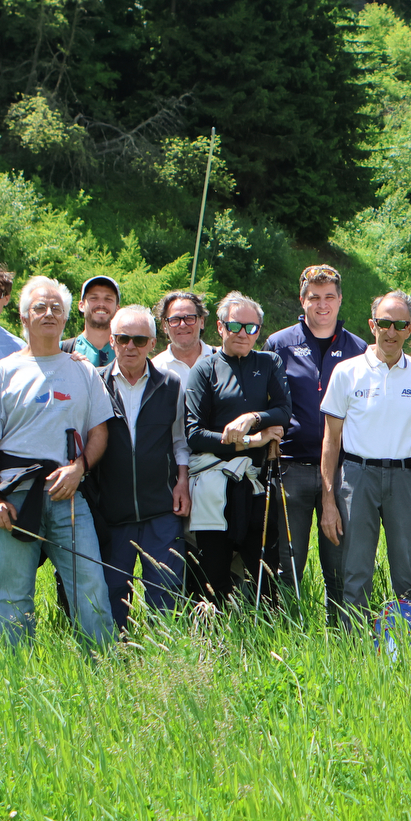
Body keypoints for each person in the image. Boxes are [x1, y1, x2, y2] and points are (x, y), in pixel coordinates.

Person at [0, 276, 116, 645]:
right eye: (40, 308)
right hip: (15, 496)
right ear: (24, 317)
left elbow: (100, 433)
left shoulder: (83, 371)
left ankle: (103, 663)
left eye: (56, 309)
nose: (49, 314)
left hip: (69, 494)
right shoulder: (2, 371)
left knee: (89, 581)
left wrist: (80, 468)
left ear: (65, 320)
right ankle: (18, 673)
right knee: (13, 590)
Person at [319, 292, 411, 624]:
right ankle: (354, 646)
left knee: (407, 573)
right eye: (385, 323)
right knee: (355, 570)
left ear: (410, 329)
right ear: (372, 324)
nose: (391, 332)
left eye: (400, 325)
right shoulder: (347, 372)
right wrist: (329, 499)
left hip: (406, 479)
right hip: (358, 477)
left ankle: (407, 645)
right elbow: (331, 441)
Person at [265, 264, 367, 620]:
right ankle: (287, 634)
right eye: (314, 297)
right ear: (302, 299)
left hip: (343, 472)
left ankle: (340, 637)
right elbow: (268, 401)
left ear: (340, 300)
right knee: (288, 563)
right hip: (291, 466)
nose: (322, 305)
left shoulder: (359, 347)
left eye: (329, 297)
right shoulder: (279, 344)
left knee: (339, 562)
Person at [183, 291, 290, 607]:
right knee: (212, 572)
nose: (243, 334)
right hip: (213, 484)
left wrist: (252, 418)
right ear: (220, 327)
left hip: (256, 483)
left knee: (263, 573)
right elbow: (194, 434)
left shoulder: (269, 363)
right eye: (235, 326)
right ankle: (212, 639)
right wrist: (252, 439)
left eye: (252, 328)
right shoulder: (205, 370)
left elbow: (284, 410)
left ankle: (266, 637)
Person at [92, 305, 191, 631]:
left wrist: (182, 481)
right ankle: (115, 660)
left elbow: (179, 440)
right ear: (111, 340)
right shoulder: (95, 383)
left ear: (152, 343)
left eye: (138, 339)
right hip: (112, 512)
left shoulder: (171, 384)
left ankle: (164, 659)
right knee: (113, 591)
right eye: (122, 339)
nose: (130, 347)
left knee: (165, 588)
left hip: (160, 509)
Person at [152, 290, 215, 380]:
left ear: (201, 321)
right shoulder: (155, 369)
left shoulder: (222, 361)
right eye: (175, 320)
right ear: (164, 325)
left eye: (189, 318)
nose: (182, 325)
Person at [61, 275, 120, 368]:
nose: (101, 304)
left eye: (108, 299)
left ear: (117, 308)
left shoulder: (125, 352)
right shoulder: (63, 351)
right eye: (94, 298)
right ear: (81, 305)